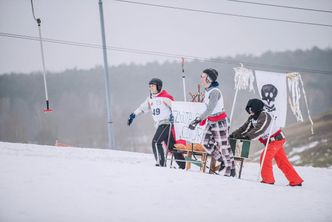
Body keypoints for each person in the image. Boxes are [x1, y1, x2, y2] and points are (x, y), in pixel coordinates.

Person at [230, 98, 304, 186]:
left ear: (256, 107)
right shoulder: (252, 118)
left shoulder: (264, 115)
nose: (250, 111)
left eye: (251, 108)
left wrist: (247, 137)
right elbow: (244, 128)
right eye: (248, 109)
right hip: (270, 142)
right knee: (282, 161)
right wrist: (233, 135)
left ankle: (268, 180)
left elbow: (260, 129)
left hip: (276, 140)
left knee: (265, 157)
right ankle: (296, 180)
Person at [127, 78, 185, 169]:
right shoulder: (150, 98)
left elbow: (176, 108)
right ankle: (183, 165)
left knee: (156, 142)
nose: (151, 88)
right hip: (159, 124)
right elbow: (142, 108)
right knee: (171, 147)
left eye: (153, 86)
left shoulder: (165, 97)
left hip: (166, 123)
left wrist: (173, 115)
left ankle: (161, 163)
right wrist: (133, 115)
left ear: (159, 86)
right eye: (150, 86)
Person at [188, 68, 236, 177]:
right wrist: (202, 118)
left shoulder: (214, 92)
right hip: (211, 121)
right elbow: (208, 110)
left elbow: (210, 109)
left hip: (219, 121)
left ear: (209, 79)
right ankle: (224, 161)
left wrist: (197, 120)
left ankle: (230, 171)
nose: (200, 78)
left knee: (224, 147)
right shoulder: (208, 90)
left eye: (202, 76)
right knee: (205, 143)